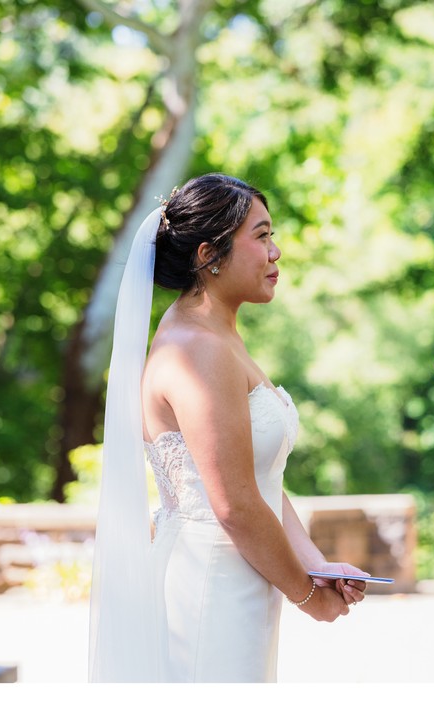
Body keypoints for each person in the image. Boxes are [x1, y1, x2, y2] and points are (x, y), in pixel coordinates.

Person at [89, 173, 370, 682]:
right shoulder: (196, 349)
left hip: (242, 576)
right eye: (261, 236)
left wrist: (317, 565)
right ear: (209, 255)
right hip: (210, 587)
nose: (276, 252)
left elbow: (261, 480)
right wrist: (310, 597)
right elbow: (235, 504)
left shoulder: (220, 337)